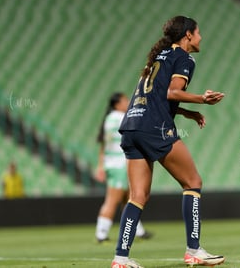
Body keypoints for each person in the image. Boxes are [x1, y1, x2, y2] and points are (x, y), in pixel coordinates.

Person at [110, 16, 225, 268]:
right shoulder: (184, 59)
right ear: (187, 36)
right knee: (193, 182)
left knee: (138, 195)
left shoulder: (158, 57)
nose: (201, 37)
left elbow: (155, 95)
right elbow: (171, 92)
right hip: (154, 127)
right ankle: (194, 250)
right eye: (198, 32)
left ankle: (120, 259)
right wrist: (201, 100)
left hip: (132, 124)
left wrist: (185, 112)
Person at [94, 92, 152, 242]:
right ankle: (101, 234)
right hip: (119, 163)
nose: (128, 102)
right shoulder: (121, 118)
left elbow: (104, 145)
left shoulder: (109, 118)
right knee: (113, 199)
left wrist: (101, 166)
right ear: (117, 104)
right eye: (125, 100)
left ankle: (138, 230)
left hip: (113, 163)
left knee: (129, 198)